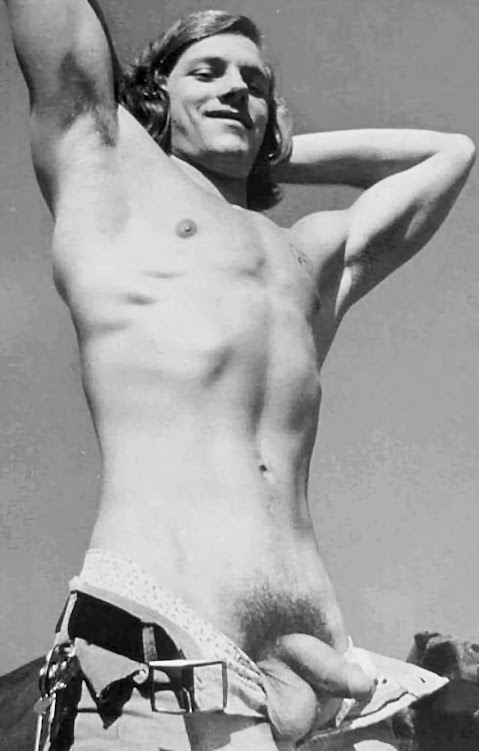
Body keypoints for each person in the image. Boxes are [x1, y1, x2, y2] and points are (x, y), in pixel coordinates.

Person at [2, 1, 475, 749]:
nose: (234, 89)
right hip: (155, 630)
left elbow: (446, 155)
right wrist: (170, 128)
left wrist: (271, 151)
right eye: (208, 72)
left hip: (312, 664)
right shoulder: (108, 175)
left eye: (254, 84)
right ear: (156, 96)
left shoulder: (305, 257)